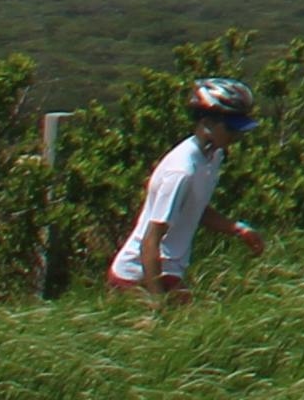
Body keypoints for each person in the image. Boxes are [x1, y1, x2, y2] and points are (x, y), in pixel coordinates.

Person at [104, 80, 262, 302]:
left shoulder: (212, 156)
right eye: (231, 128)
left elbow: (195, 208)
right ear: (207, 123)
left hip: (168, 270)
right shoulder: (182, 170)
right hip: (139, 276)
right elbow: (151, 240)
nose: (237, 136)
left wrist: (237, 229)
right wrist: (157, 302)